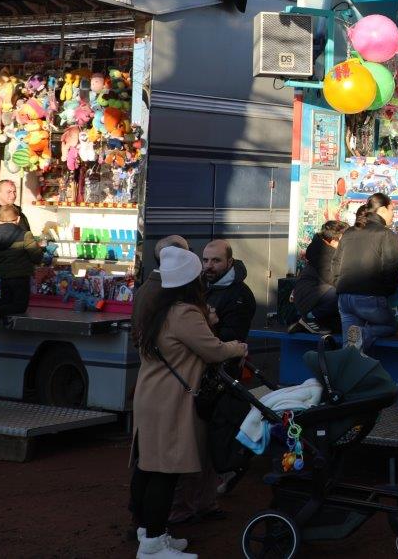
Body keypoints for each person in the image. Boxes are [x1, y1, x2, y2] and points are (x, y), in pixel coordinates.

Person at [130, 246, 246, 558]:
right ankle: (153, 544)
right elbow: (214, 350)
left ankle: (148, 532)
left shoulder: (157, 306)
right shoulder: (185, 313)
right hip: (169, 400)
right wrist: (238, 347)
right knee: (165, 471)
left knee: (148, 468)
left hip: (150, 395)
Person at [335, 193, 398, 353]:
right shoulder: (386, 234)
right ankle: (364, 333)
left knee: (350, 347)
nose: (394, 214)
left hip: (344, 297)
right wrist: (386, 292)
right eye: (392, 210)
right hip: (370, 297)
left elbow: (335, 263)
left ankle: (349, 365)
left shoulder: (349, 232)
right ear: (383, 209)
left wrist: (339, 285)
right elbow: (391, 268)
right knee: (390, 326)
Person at [0, 205, 43, 334]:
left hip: (4, 276)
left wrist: (3, 263)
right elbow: (36, 255)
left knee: (6, 300)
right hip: (21, 276)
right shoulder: (25, 235)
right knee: (20, 305)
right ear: (18, 219)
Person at [201, 239, 256, 360]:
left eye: (216, 260)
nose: (209, 266)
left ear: (229, 262)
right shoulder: (200, 285)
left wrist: (208, 324)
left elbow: (232, 339)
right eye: (205, 260)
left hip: (222, 365)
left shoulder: (241, 295)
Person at [290, 220, 348, 335]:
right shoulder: (323, 254)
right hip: (309, 295)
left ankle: (310, 322)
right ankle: (310, 317)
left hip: (316, 293)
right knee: (343, 296)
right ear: (333, 241)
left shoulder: (325, 250)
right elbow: (333, 279)